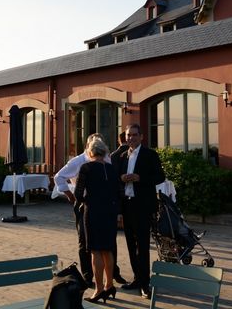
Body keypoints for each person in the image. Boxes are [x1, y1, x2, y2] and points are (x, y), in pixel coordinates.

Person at [53, 133, 126, 287]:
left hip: (105, 206)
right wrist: (70, 196)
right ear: (88, 146)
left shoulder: (107, 161)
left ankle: (112, 274)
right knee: (85, 242)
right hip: (84, 205)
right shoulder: (79, 161)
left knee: (109, 242)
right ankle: (88, 275)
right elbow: (59, 177)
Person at [112, 124, 165, 299]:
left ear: (141, 136)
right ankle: (136, 278)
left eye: (134, 135)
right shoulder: (121, 156)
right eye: (128, 135)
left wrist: (139, 178)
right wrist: (121, 178)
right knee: (130, 244)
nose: (131, 138)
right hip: (126, 205)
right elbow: (115, 179)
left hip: (142, 206)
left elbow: (160, 177)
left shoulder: (150, 155)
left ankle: (145, 283)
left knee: (142, 246)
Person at [74, 137, 119, 303]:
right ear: (105, 151)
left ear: (91, 152)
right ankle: (109, 285)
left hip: (93, 211)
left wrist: (86, 200)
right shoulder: (112, 168)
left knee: (95, 250)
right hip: (110, 213)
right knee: (108, 249)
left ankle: (99, 289)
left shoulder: (86, 168)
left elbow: (78, 194)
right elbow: (117, 191)